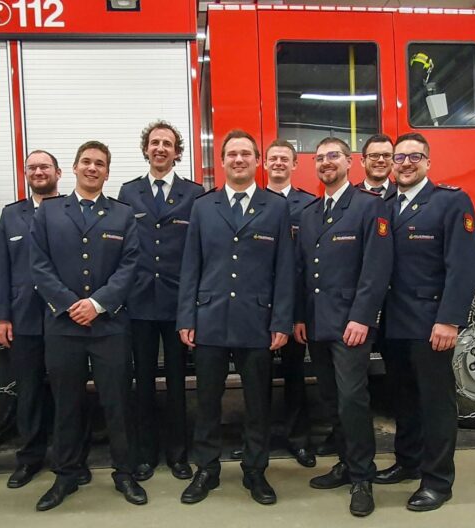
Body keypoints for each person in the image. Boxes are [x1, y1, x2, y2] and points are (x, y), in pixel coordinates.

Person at [177, 129, 294, 506]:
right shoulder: (203, 206)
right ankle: (206, 469)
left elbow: (285, 269)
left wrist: (281, 321)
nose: (239, 159)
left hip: (257, 321)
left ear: (257, 161)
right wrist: (186, 317)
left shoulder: (275, 206)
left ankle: (255, 470)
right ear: (222, 161)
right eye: (232, 154)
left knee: (258, 403)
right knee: (207, 401)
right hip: (209, 318)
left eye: (246, 153)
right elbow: (191, 265)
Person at [30, 140, 146, 510]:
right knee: (66, 404)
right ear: (75, 168)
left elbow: (130, 266)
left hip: (109, 325)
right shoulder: (49, 212)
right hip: (63, 326)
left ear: (107, 172)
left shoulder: (123, 215)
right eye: (86, 162)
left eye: (99, 163)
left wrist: (97, 304)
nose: (92, 168)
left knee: (118, 402)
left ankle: (124, 473)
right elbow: (39, 265)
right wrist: (70, 304)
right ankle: (66, 475)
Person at [376, 132, 475, 512]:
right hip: (392, 323)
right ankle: (408, 462)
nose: (405, 163)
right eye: (399, 157)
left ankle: (437, 481)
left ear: (428, 162)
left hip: (430, 324)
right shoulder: (386, 204)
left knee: (436, 403)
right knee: (403, 398)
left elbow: (463, 267)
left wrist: (449, 320)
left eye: (414, 157)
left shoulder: (450, 202)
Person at [293, 137, 393, 517]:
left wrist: (362, 317)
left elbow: (376, 268)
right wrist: (300, 316)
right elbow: (302, 270)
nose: (326, 163)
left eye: (333, 156)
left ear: (350, 162)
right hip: (317, 323)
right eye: (320, 158)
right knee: (331, 398)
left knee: (352, 399)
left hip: (351, 324)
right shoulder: (309, 213)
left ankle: (363, 478)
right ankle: (346, 464)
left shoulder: (369, 206)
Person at [0, 150, 91, 489]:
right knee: (29, 391)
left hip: (66, 317)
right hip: (26, 318)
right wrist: (1, 315)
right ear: (25, 173)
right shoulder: (11, 215)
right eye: (32, 167)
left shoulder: (71, 210)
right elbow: (2, 267)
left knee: (71, 392)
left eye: (44, 166)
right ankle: (30, 459)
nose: (38, 172)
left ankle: (74, 459)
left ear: (59, 173)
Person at [117, 121, 203, 482]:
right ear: (146, 149)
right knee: (143, 382)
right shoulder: (128, 191)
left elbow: (198, 251)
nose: (160, 148)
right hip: (138, 303)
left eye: (167, 143)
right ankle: (145, 454)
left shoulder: (194, 193)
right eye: (155, 143)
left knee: (178, 383)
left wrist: (193, 305)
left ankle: (178, 454)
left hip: (177, 303)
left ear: (177, 152)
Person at [262, 139, 316, 468]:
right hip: (258, 308)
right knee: (257, 379)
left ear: (295, 165)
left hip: (294, 307)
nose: (279, 163)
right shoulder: (252, 202)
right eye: (274, 158)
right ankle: (258, 440)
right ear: (264, 163)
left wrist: (301, 314)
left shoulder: (308, 206)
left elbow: (310, 262)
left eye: (285, 159)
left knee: (296, 376)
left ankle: (299, 440)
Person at [356, 133, 397, 200]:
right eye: (374, 155)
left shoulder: (401, 194)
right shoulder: (351, 196)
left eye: (386, 155)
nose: (381, 160)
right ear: (363, 161)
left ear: (393, 161)